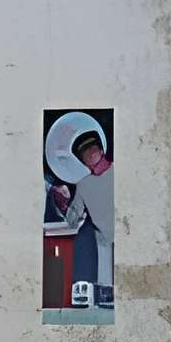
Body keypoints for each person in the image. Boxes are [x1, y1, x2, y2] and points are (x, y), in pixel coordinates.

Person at [47, 125, 114, 309]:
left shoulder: (119, 173)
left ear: (101, 151)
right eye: (84, 154)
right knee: (106, 298)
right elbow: (73, 218)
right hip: (103, 245)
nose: (90, 155)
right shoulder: (84, 184)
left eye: (92, 149)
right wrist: (61, 202)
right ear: (82, 161)